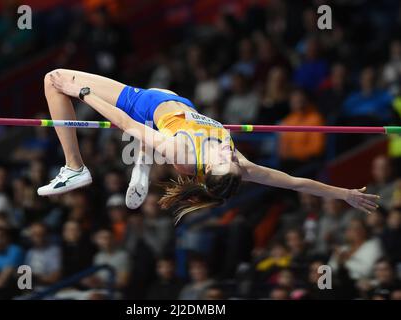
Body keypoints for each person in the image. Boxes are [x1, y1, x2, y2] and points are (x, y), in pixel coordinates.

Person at [36, 69, 380, 222]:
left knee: (54, 79)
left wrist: (84, 94)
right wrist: (344, 194)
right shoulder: (239, 166)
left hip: (144, 109)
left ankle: (75, 167)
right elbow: (296, 182)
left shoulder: (182, 152)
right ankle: (141, 161)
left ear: (209, 169)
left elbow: (124, 123)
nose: (229, 152)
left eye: (222, 158)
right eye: (232, 156)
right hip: (176, 105)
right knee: (156, 127)